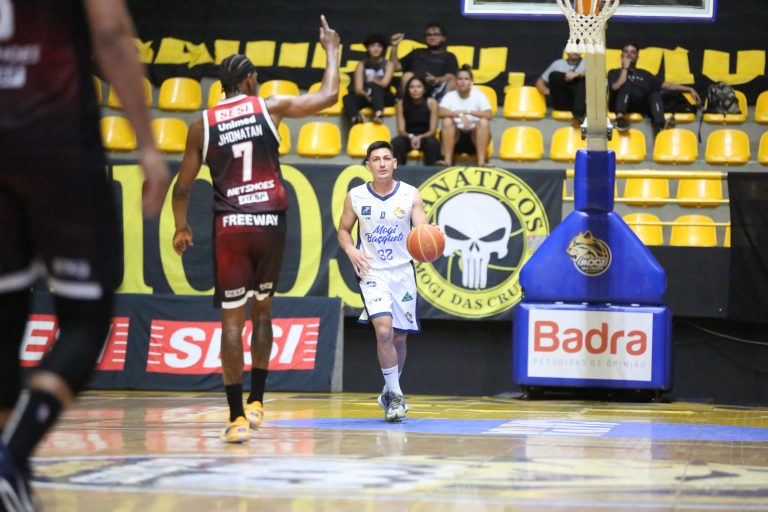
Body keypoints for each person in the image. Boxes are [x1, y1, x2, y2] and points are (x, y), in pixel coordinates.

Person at [0, 0, 170, 508]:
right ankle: (11, 458)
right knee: (86, 321)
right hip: (57, 141)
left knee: (5, 315)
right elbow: (111, 31)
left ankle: (8, 470)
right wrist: (147, 145)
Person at [171, 17, 340, 444]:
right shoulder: (269, 106)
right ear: (249, 79)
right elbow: (328, 95)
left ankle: (235, 418)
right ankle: (258, 401)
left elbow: (182, 187)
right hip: (270, 222)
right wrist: (332, 50)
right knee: (263, 309)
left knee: (232, 321)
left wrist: (180, 226)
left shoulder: (202, 123)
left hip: (230, 226)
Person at [338, 141, 428, 422]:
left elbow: (422, 230)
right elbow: (343, 230)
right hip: (372, 271)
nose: (381, 163)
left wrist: (431, 238)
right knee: (384, 332)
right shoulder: (355, 196)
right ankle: (397, 396)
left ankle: (388, 391)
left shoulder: (410, 194)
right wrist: (351, 250)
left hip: (402, 272)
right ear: (368, 165)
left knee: (399, 336)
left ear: (395, 163)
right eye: (375, 159)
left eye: (386, 158)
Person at [608, 43, 701, 133]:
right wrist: (625, 68)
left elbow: (666, 85)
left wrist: (689, 89)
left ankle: (660, 125)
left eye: (633, 52)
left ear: (637, 57)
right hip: (620, 105)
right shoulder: (614, 72)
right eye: (626, 52)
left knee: (654, 93)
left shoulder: (644, 74)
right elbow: (616, 87)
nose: (629, 54)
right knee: (626, 85)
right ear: (622, 56)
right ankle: (619, 120)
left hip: (639, 105)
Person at [437, 65, 493, 167]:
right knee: (447, 121)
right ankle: (447, 161)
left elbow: (489, 114)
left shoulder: (479, 95)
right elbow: (440, 112)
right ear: (455, 82)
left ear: (471, 82)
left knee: (484, 122)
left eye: (466, 79)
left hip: (474, 138)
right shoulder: (449, 96)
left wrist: (468, 112)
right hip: (456, 137)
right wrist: (459, 114)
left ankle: (482, 162)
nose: (463, 82)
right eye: (460, 79)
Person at [390, 23, 459, 101]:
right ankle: (405, 105)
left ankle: (440, 107)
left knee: (452, 82)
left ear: (443, 38)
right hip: (414, 89)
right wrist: (394, 46)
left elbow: (450, 76)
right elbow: (394, 67)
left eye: (436, 34)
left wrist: (436, 80)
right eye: (429, 35)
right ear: (425, 38)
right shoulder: (417, 52)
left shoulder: (449, 56)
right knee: (407, 75)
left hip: (436, 89)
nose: (432, 37)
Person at [342, 33, 395, 124]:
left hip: (384, 96)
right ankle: (356, 119)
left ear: (383, 49)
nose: (376, 49)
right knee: (347, 98)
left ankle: (379, 115)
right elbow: (358, 89)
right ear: (368, 48)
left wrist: (373, 80)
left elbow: (385, 83)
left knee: (376, 87)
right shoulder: (361, 65)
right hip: (368, 96)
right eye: (373, 46)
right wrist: (366, 95)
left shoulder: (388, 64)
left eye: (379, 46)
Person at [391, 76, 441, 166]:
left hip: (426, 136)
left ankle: (432, 171)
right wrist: (411, 137)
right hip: (408, 136)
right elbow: (401, 130)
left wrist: (419, 137)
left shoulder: (432, 102)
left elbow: (432, 130)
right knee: (397, 142)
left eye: (418, 87)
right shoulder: (401, 103)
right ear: (408, 90)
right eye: (412, 87)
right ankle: (398, 171)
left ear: (424, 89)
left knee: (432, 144)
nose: (415, 90)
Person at [535, 51, 587, 125]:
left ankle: (577, 117)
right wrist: (547, 91)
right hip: (562, 100)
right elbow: (540, 81)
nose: (575, 51)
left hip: (579, 100)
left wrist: (578, 74)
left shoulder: (588, 63)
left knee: (581, 80)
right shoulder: (557, 64)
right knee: (554, 75)